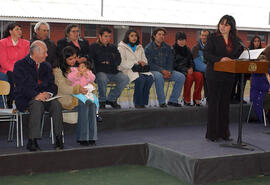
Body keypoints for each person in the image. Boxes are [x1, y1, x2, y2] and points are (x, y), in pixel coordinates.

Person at [13, 40, 64, 151]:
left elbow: (53, 86)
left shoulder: (46, 66)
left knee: (56, 104)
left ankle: (59, 138)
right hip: (26, 98)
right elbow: (21, 87)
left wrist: (48, 94)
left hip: (45, 98)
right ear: (35, 52)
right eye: (45, 52)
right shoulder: (19, 65)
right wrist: (36, 95)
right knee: (37, 105)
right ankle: (32, 141)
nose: (47, 55)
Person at [204, 15, 243, 142]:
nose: (222, 26)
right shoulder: (212, 37)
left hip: (229, 75)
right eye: (221, 23)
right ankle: (212, 134)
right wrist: (220, 59)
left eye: (226, 24)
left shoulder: (236, 40)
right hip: (214, 74)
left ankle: (224, 133)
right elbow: (207, 54)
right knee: (214, 104)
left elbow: (238, 55)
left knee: (225, 104)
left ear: (231, 26)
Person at [54, 46, 97, 146]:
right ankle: (83, 137)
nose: (73, 61)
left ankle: (92, 137)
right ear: (64, 59)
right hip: (66, 97)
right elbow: (62, 88)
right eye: (70, 59)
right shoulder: (58, 70)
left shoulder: (80, 67)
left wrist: (90, 87)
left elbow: (90, 79)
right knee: (84, 103)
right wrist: (78, 89)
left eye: (74, 58)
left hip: (81, 94)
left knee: (92, 103)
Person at [89, 27, 129, 109]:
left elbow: (118, 59)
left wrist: (107, 61)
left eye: (109, 36)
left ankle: (111, 99)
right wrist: (107, 59)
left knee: (125, 78)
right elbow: (92, 60)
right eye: (105, 36)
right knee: (102, 78)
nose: (108, 39)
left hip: (113, 71)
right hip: (100, 72)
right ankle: (102, 101)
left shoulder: (113, 47)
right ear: (100, 36)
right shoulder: (93, 46)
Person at [145, 27, 185, 108]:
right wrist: (162, 70)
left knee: (181, 77)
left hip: (167, 71)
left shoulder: (167, 47)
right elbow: (149, 63)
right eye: (159, 34)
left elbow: (171, 61)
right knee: (159, 77)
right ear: (154, 36)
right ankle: (162, 102)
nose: (161, 36)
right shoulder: (148, 48)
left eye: (163, 35)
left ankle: (173, 100)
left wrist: (169, 71)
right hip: (153, 70)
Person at [118, 29, 154, 108]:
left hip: (140, 69)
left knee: (150, 78)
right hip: (128, 70)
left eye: (136, 36)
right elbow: (122, 62)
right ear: (127, 37)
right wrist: (134, 64)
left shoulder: (139, 47)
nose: (134, 38)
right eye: (132, 36)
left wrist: (142, 62)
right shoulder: (122, 47)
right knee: (141, 79)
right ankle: (137, 102)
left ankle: (143, 102)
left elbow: (145, 60)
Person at [0, 22, 29, 108]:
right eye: (17, 29)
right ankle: (11, 100)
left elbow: (27, 60)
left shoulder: (26, 43)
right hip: (7, 70)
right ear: (10, 31)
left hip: (22, 70)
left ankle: (21, 102)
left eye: (20, 29)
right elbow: (3, 62)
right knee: (12, 75)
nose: (20, 31)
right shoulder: (2, 43)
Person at [173, 32, 204, 106]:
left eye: (183, 40)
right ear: (176, 40)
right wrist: (186, 70)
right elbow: (174, 64)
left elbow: (191, 61)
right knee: (189, 78)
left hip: (189, 70)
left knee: (199, 75)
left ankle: (196, 98)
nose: (182, 42)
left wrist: (191, 68)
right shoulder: (173, 50)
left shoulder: (188, 49)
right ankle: (186, 99)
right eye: (180, 40)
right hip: (179, 71)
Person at [250, 44, 270, 124]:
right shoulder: (255, 73)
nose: (263, 65)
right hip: (259, 94)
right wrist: (268, 90)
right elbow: (259, 86)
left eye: (264, 64)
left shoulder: (268, 71)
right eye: (261, 64)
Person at [192, 30, 210, 102]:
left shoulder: (211, 47)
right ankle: (208, 97)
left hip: (209, 68)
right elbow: (197, 63)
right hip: (199, 69)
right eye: (202, 35)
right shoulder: (196, 48)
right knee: (208, 75)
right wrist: (209, 69)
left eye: (206, 35)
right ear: (200, 36)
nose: (204, 37)